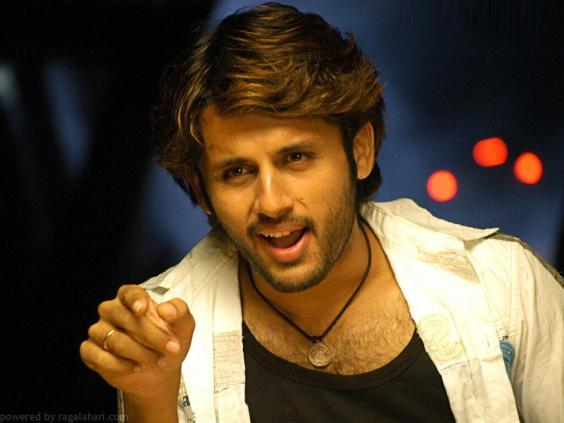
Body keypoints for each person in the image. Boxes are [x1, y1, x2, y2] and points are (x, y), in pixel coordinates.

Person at [80, 3, 564, 422]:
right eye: (237, 172)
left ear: (360, 152)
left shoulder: (502, 287)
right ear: (201, 191)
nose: (272, 203)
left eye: (296, 158)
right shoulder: (161, 335)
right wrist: (149, 396)